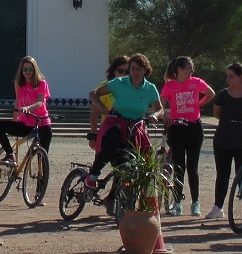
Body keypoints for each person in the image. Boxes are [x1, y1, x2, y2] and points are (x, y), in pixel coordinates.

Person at [85, 53, 162, 188]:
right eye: (132, 69)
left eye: (139, 69)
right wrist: (101, 106)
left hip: (136, 126)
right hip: (116, 122)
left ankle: (113, 200)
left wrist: (155, 115)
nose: (135, 72)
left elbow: (160, 109)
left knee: (130, 162)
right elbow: (93, 93)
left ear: (145, 70)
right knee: (111, 145)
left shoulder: (150, 88)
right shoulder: (119, 83)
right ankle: (93, 175)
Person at [159, 56, 215, 216]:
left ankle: (195, 203)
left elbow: (210, 93)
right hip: (176, 128)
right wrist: (164, 115)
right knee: (178, 167)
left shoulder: (196, 82)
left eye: (192, 68)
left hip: (194, 127)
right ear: (179, 70)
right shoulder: (170, 85)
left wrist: (198, 104)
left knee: (193, 167)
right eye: (189, 68)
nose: (192, 70)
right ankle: (177, 202)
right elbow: (160, 104)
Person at [205, 63, 242, 220]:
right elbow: (217, 114)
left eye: (232, 76)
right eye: (227, 76)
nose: (228, 79)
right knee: (222, 174)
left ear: (241, 77)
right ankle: (218, 207)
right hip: (223, 139)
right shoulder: (223, 95)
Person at [0, 56, 52, 165]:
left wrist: (27, 108)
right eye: (25, 69)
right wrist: (15, 120)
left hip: (42, 124)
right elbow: (18, 103)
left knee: (43, 160)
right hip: (25, 125)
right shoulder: (19, 84)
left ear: (35, 70)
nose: (27, 72)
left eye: (30, 69)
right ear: (21, 70)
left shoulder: (42, 83)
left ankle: (42, 181)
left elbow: (40, 102)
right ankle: (10, 154)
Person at [87, 57, 129, 152]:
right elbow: (94, 113)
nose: (123, 74)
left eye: (126, 72)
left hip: (126, 132)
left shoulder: (133, 88)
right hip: (107, 131)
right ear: (114, 71)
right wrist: (94, 133)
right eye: (120, 71)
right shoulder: (104, 87)